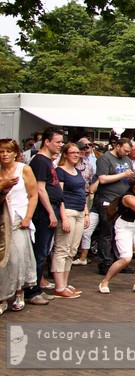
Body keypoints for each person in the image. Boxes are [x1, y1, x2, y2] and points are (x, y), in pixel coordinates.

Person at [25, 127, 65, 305]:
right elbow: (40, 189)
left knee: (44, 250)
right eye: (57, 142)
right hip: (43, 212)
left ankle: (37, 287)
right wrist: (50, 212)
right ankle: (32, 291)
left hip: (52, 208)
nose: (60, 145)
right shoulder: (40, 161)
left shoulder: (48, 161)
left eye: (61, 142)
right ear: (47, 142)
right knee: (39, 251)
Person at [0, 139, 38, 312]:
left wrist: (28, 217)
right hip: (2, 219)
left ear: (15, 153)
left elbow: (33, 195)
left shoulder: (24, 169)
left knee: (16, 258)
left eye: (8, 151)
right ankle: (2, 297)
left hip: (19, 217)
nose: (5, 155)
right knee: (3, 260)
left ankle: (19, 291)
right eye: (1, 151)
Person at [93, 138, 135, 275]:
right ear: (117, 146)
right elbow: (102, 179)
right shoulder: (105, 159)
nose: (126, 153)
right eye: (125, 150)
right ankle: (105, 263)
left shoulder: (126, 160)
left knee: (120, 232)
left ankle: (121, 260)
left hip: (122, 200)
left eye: (128, 151)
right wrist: (122, 174)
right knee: (106, 232)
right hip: (107, 199)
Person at [50, 142, 90, 298]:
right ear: (65, 154)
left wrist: (86, 213)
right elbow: (59, 196)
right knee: (62, 248)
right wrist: (64, 217)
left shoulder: (77, 171)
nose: (76, 155)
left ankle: (64, 284)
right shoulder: (60, 171)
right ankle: (59, 286)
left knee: (72, 250)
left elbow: (82, 192)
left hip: (80, 211)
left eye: (78, 152)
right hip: (67, 211)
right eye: (72, 152)